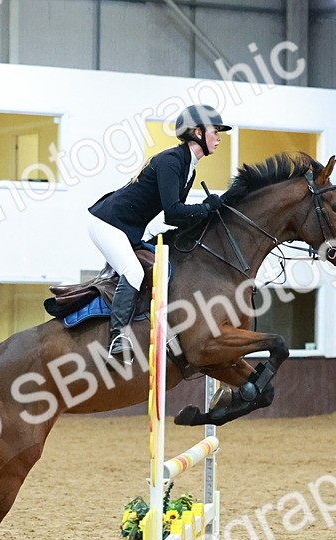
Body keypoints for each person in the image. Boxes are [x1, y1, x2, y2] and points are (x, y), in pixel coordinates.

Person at [87, 104, 231, 366]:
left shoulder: (189, 167)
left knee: (162, 269)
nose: (220, 137)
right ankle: (117, 338)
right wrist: (207, 207)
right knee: (133, 272)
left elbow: (171, 218)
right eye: (216, 131)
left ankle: (164, 332)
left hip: (127, 229)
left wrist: (207, 218)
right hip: (106, 223)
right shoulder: (171, 161)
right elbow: (174, 212)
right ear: (197, 132)